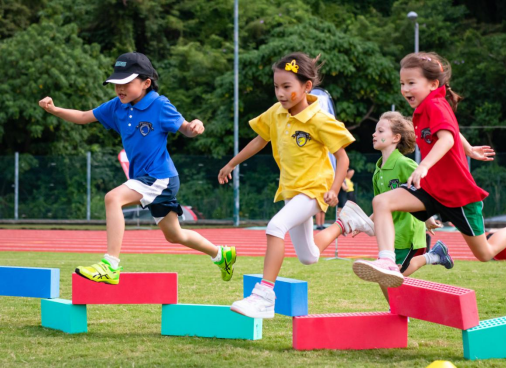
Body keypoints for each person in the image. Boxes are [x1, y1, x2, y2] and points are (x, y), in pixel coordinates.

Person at [38, 52, 236, 285]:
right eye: (116, 84)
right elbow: (83, 116)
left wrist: (196, 125)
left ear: (146, 83)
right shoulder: (116, 107)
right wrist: (54, 110)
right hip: (148, 179)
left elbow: (185, 129)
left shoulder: (160, 104)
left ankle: (110, 265)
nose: (119, 89)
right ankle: (220, 254)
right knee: (175, 235)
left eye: (126, 83)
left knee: (113, 198)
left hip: (159, 176)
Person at [353, 51, 506, 288]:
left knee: (485, 253)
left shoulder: (434, 104)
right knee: (382, 201)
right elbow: (451, 129)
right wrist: (469, 148)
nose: (405, 89)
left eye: (412, 83)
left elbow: (446, 139)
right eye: (402, 83)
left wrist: (424, 166)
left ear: (433, 84)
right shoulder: (425, 108)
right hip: (432, 190)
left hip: (457, 196)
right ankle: (387, 261)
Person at [218, 52, 373, 318]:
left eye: (287, 86)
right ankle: (345, 223)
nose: (280, 92)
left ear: (306, 87)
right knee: (308, 256)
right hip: (292, 188)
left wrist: (335, 189)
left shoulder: (319, 119)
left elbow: (342, 156)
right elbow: (260, 140)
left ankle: (264, 296)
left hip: (315, 188)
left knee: (275, 226)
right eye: (276, 86)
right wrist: (232, 163)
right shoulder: (276, 113)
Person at [368, 111, 454, 303]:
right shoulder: (378, 170)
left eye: (380, 130)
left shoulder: (404, 163)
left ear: (396, 138)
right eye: (374, 130)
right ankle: (396, 310)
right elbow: (380, 206)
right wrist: (364, 223)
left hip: (408, 234)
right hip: (392, 237)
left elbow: (424, 191)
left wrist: (429, 218)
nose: (374, 134)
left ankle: (433, 257)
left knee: (391, 275)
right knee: (385, 276)